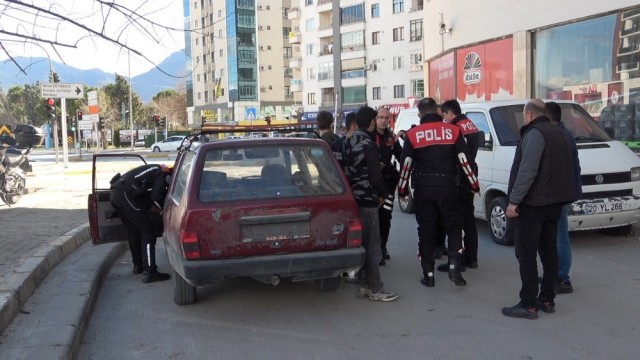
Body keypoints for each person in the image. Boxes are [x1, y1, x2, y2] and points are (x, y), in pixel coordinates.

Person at [502, 99, 577, 319]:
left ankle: (528, 304)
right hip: (555, 203)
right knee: (548, 251)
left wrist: (514, 202)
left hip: (533, 204)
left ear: (528, 115)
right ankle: (547, 299)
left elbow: (527, 171)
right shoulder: (561, 133)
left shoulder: (535, 134)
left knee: (526, 254)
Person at [397, 97, 479, 288]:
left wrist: (402, 190)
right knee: (454, 227)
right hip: (449, 187)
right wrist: (474, 185)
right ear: (439, 112)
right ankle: (454, 267)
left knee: (426, 230)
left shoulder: (413, 134)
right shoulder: (453, 131)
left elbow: (406, 165)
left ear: (420, 114)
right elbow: (464, 161)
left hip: (424, 188)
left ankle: (429, 274)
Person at [344, 106, 399, 302]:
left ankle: (364, 282)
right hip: (368, 199)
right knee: (373, 245)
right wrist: (383, 193)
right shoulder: (369, 144)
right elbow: (376, 176)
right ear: (372, 122)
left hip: (352, 199)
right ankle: (376, 288)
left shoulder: (348, 140)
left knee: (361, 243)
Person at [110, 164, 173, 283]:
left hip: (115, 194)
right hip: (126, 196)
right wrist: (160, 209)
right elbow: (155, 196)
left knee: (133, 231)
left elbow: (144, 194)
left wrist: (150, 206)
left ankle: (138, 266)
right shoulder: (162, 173)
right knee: (148, 233)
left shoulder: (154, 171)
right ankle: (150, 272)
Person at [437, 99, 481, 272]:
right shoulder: (470, 125)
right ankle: (472, 258)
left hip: (459, 177)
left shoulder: (456, 128)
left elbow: (457, 155)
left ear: (449, 112)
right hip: (470, 175)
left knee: (457, 221)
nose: (444, 120)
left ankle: (458, 260)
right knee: (469, 219)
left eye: (444, 116)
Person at [546, 101, 582, 294]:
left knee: (560, 235)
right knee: (555, 235)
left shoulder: (559, 136)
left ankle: (563, 278)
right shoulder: (565, 134)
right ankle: (556, 274)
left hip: (559, 194)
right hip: (563, 192)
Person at [374, 107, 402, 265]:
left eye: (387, 118)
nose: (384, 120)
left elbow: (402, 155)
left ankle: (382, 248)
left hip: (387, 185)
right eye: (381, 117)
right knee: (373, 219)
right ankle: (374, 250)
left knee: (385, 218)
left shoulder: (391, 137)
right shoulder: (369, 136)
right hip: (372, 185)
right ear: (375, 118)